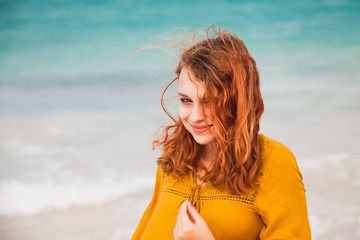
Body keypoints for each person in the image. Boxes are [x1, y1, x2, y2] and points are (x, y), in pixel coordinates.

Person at [131, 26, 311, 240]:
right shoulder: (175, 156)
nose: (196, 116)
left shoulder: (273, 162)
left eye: (211, 102)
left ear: (239, 102)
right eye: (186, 100)